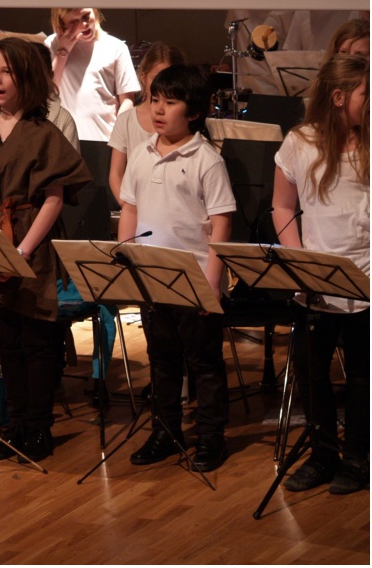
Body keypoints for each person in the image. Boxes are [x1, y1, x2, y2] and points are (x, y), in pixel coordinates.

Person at [0, 37, 91, 462]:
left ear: (25, 77)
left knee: (37, 338)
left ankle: (38, 427)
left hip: (32, 241)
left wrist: (22, 250)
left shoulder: (43, 132)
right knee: (7, 336)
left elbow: (54, 198)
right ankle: (14, 425)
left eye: (6, 72)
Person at [118, 64, 236, 473]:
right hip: (152, 278)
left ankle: (211, 436)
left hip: (195, 279)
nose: (158, 109)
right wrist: (125, 258)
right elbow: (130, 209)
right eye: (155, 100)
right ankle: (165, 431)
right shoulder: (141, 154)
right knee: (162, 360)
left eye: (170, 102)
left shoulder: (206, 160)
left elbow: (221, 223)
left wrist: (212, 283)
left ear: (195, 112)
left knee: (204, 363)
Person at [273, 53, 369, 495]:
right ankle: (323, 455)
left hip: (365, 280)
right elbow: (282, 206)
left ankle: (358, 459)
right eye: (366, 93)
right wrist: (298, 264)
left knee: (363, 377)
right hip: (315, 283)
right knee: (311, 375)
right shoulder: (300, 142)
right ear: (339, 97)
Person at [108, 42, 187, 207]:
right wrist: (129, 209)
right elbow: (116, 175)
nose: (162, 85)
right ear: (143, 78)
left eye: (169, 78)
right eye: (156, 78)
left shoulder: (183, 120)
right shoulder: (127, 121)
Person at [45, 7, 140, 142]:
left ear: (94, 12)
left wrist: (118, 137)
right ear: (62, 23)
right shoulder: (52, 44)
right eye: (74, 21)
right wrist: (63, 51)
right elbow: (48, 92)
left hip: (104, 137)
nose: (84, 24)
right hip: (64, 138)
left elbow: (127, 100)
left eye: (86, 16)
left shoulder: (116, 47)